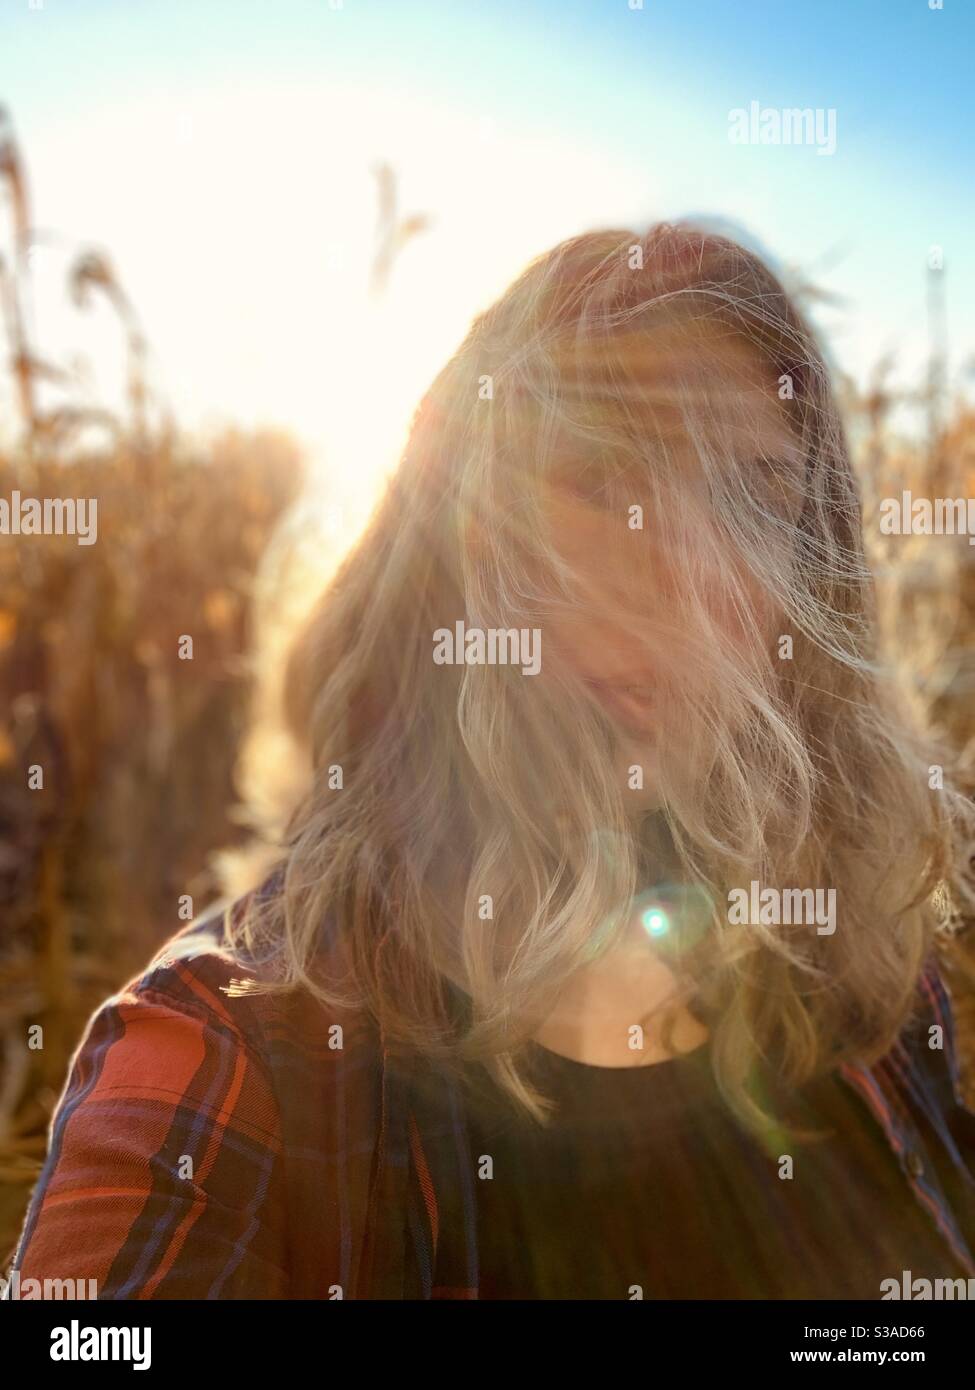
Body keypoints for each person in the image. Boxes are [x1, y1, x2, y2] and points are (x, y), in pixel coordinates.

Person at [8, 222, 975, 1300]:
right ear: (455, 542)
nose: (684, 581)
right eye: (601, 478)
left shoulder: (866, 970)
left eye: (753, 491)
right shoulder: (225, 1055)